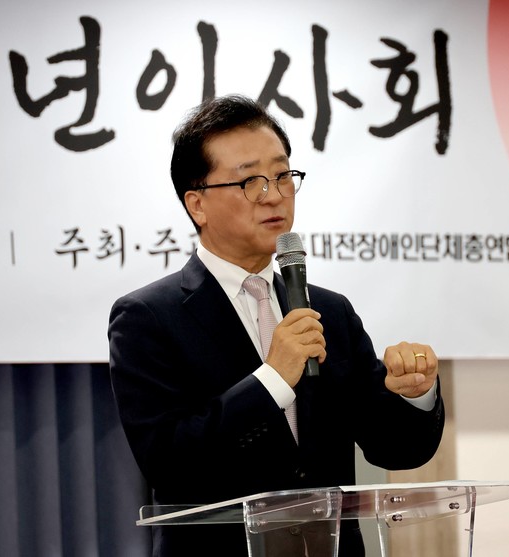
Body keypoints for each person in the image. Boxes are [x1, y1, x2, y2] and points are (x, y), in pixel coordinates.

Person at [108, 94, 445, 557]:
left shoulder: (329, 311)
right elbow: (169, 464)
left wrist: (415, 395)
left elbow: (396, 450)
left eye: (283, 175)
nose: (274, 195)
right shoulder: (147, 317)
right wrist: (272, 380)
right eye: (250, 180)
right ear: (197, 204)